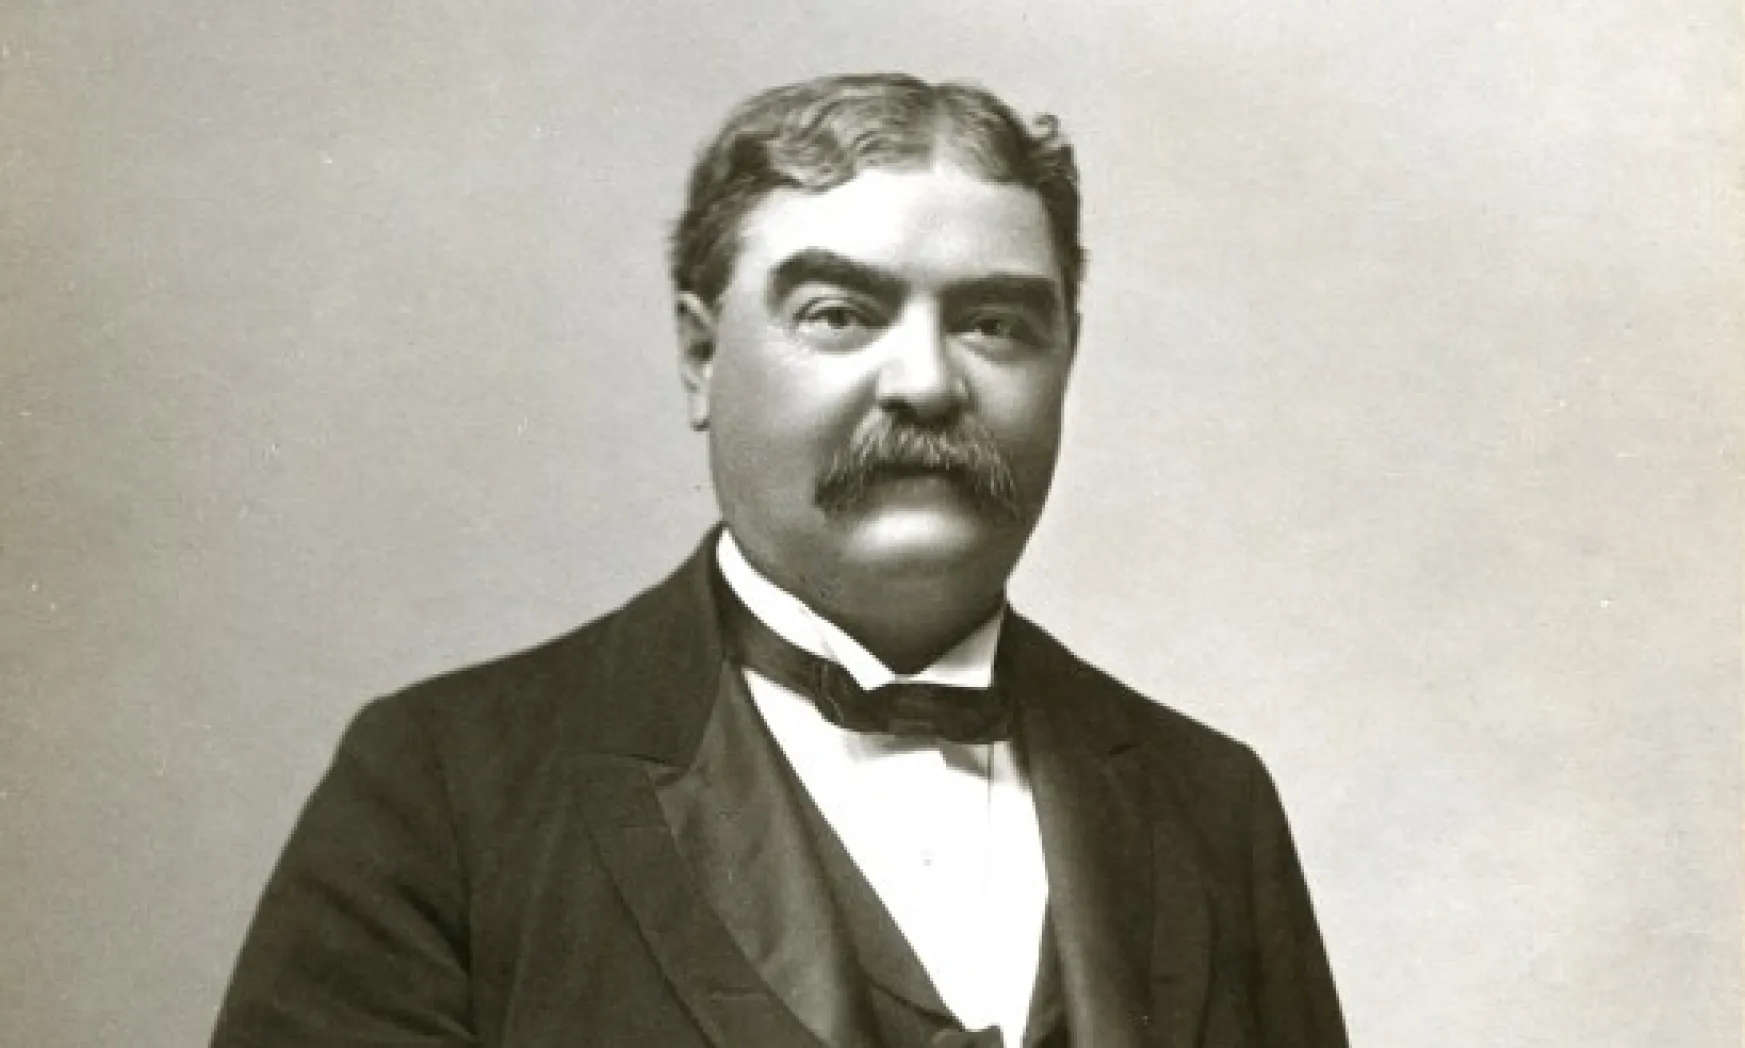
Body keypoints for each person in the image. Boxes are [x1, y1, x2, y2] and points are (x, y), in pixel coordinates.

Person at [212, 73, 1348, 1048]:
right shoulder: (446, 787)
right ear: (701, 356)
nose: (926, 384)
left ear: (1066, 360)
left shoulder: (1212, 804)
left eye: (994, 323)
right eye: (840, 314)